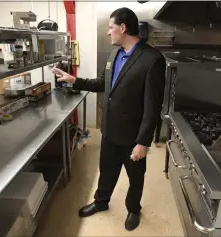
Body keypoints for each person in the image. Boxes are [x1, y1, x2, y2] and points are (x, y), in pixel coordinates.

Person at [51, 7, 166, 231]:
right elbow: (103, 84)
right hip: (110, 129)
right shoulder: (114, 54)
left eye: (111, 28)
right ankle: (101, 201)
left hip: (133, 136)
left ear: (122, 28)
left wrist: (143, 142)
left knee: (135, 178)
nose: (108, 33)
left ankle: (133, 208)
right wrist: (75, 80)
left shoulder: (152, 59)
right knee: (107, 170)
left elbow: (152, 106)